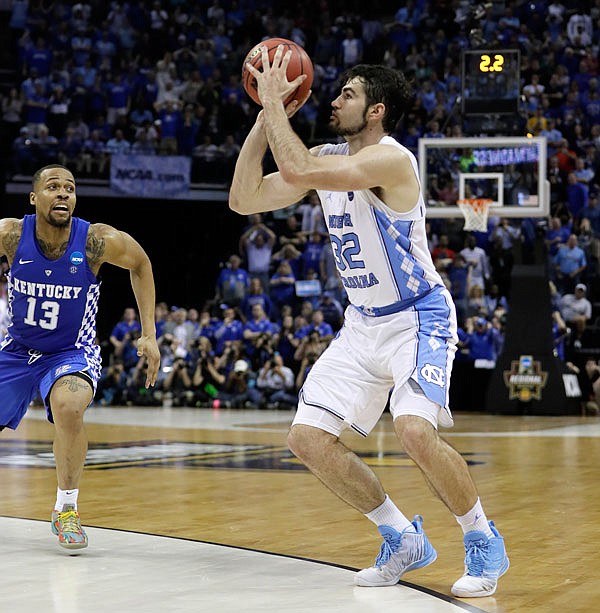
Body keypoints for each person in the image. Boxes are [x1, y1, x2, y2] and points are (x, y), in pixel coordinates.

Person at [229, 56, 508, 598]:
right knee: (307, 439)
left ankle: (482, 537)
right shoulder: (325, 156)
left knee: (412, 432)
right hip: (362, 323)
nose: (333, 100)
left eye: (348, 94)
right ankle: (399, 536)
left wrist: (271, 102)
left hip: (417, 317)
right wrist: (266, 118)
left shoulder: (392, 161)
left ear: (375, 111)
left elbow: (299, 173)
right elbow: (244, 199)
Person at [0, 164, 160, 550]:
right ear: (34, 197)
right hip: (18, 350)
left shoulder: (96, 241)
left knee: (69, 405)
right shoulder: (10, 234)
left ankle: (66, 510)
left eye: (69, 188)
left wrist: (150, 334)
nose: (62, 194)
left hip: (71, 352)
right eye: (53, 187)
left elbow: (140, 264)